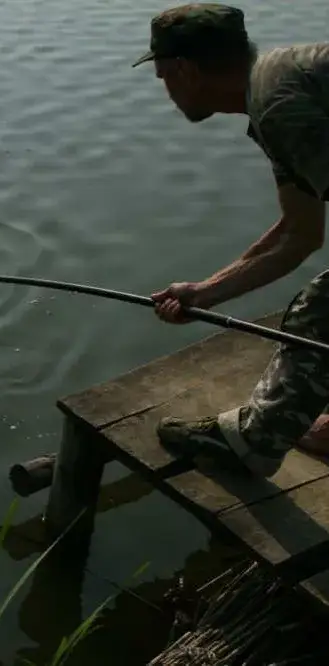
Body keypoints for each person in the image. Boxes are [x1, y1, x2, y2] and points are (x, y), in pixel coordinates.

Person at [132, 3, 329, 476]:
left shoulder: (280, 106)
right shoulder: (275, 87)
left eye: (163, 76)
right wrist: (205, 291)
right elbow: (300, 233)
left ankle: (251, 444)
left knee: (321, 311)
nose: (166, 90)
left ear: (186, 69)